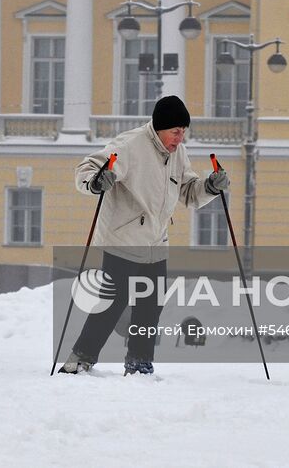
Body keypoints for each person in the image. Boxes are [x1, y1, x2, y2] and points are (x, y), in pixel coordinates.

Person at [60, 95, 228, 376]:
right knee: (113, 302)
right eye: (176, 131)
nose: (180, 138)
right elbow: (86, 168)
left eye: (184, 132)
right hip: (123, 239)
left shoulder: (178, 154)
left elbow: (188, 192)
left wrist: (210, 187)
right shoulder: (130, 145)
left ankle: (139, 361)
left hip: (156, 241)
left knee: (151, 306)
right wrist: (96, 180)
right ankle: (80, 358)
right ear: (160, 128)